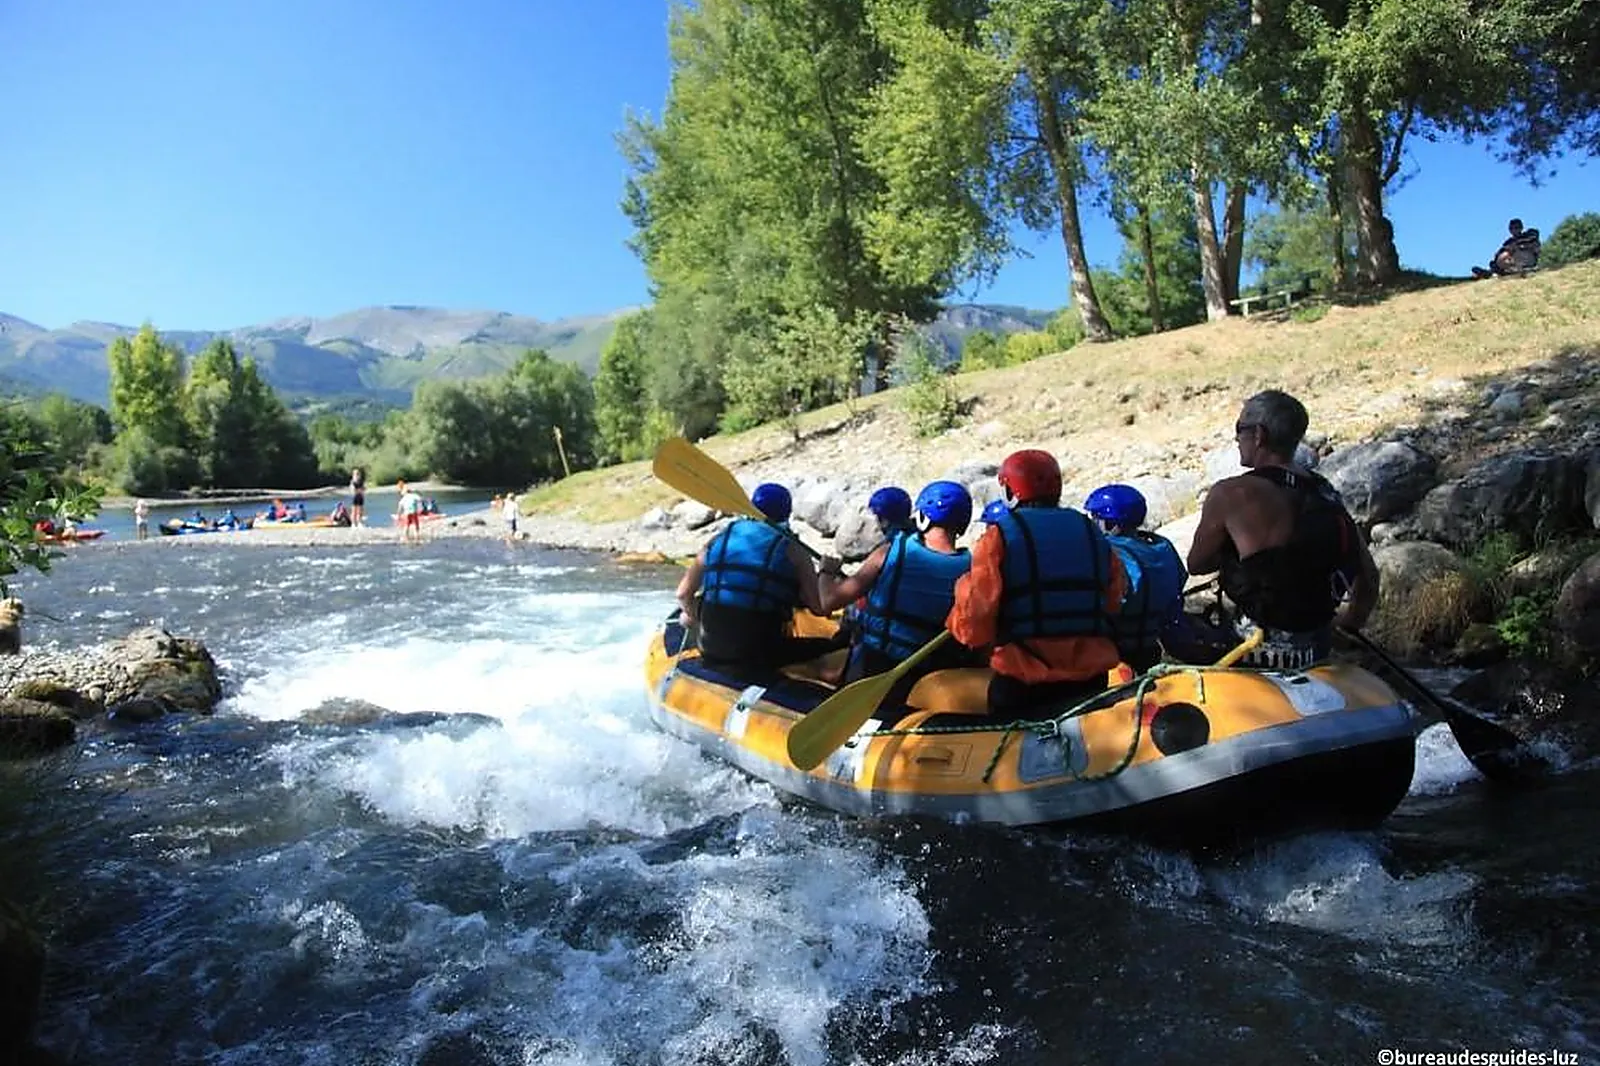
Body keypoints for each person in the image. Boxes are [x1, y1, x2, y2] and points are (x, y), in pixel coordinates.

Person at [1178, 389, 1379, 668]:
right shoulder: (1325, 492)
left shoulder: (1232, 493)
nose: (1236, 438)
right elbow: (1367, 578)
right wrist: (1348, 623)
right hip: (1316, 646)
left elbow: (1197, 563)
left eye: (1240, 429)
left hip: (1252, 650)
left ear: (1259, 435)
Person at [948, 449, 1126, 719]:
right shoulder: (1090, 531)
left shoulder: (1000, 536)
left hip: (1024, 680)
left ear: (1010, 491)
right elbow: (1114, 598)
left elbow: (974, 622)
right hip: (1091, 677)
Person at [817, 481, 978, 708]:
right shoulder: (973, 569)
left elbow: (827, 603)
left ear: (922, 516)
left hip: (873, 668)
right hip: (930, 681)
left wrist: (827, 572)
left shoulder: (890, 551)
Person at [676, 482, 833, 676]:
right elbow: (819, 608)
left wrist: (698, 620)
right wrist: (828, 572)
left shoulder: (719, 539)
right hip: (758, 653)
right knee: (830, 646)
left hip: (709, 647)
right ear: (787, 513)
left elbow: (683, 594)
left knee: (685, 617)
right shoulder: (795, 549)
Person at [1084, 484, 1187, 673]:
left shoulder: (1106, 551)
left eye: (1096, 518)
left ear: (1111, 524)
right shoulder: (1162, 547)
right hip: (1151, 645)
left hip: (1115, 649)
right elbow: (1180, 581)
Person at [1472, 218, 1541, 278]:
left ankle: (1512, 269)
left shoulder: (1529, 237)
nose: (1514, 230)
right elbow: (1500, 253)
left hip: (1527, 261)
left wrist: (1519, 247)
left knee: (1511, 255)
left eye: (1516, 227)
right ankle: (1492, 272)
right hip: (1513, 263)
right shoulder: (1509, 242)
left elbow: (1535, 245)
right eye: (1511, 228)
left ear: (1521, 228)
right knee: (1499, 261)